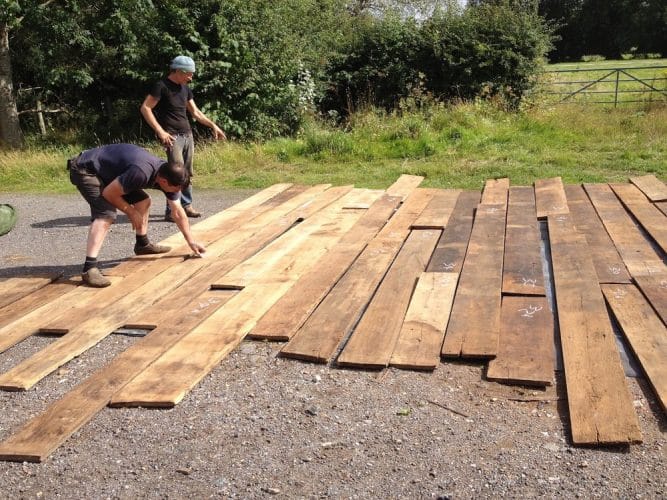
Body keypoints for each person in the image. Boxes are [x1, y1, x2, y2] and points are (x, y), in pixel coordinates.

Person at [68, 143, 206, 288]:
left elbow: (177, 212)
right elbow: (109, 193)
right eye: (176, 189)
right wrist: (131, 212)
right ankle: (89, 269)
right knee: (106, 214)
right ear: (164, 181)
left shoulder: (169, 175)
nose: (176, 192)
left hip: (110, 171)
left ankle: (142, 244)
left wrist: (191, 242)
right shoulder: (141, 173)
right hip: (86, 169)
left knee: (143, 201)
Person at [140, 55, 226, 222]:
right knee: (175, 174)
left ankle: (186, 205)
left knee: (187, 173)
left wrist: (213, 125)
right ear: (178, 71)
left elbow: (195, 113)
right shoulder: (161, 86)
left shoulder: (185, 88)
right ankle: (172, 211)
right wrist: (160, 131)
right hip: (172, 137)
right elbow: (145, 108)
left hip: (187, 135)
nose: (191, 77)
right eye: (189, 73)